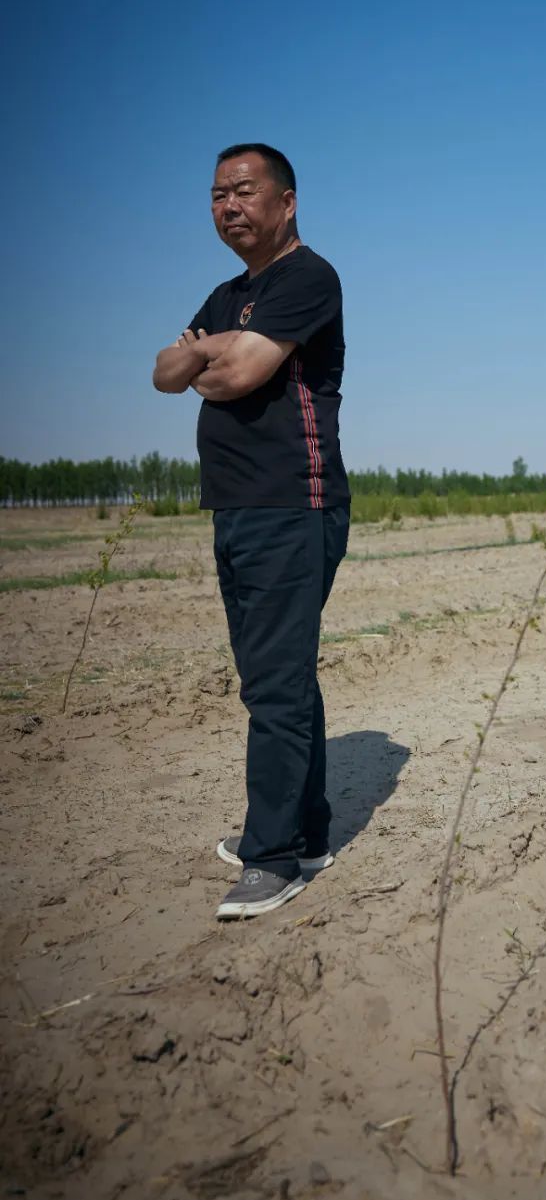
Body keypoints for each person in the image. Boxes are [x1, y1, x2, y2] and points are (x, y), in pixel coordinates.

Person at [153, 144, 350, 919]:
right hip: (235, 506)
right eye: (216, 194)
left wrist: (207, 353)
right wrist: (210, 348)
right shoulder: (226, 293)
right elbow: (164, 372)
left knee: (275, 682)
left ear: (286, 201)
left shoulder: (309, 277)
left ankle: (272, 858)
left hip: (291, 504)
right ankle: (306, 831)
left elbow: (234, 374)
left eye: (243, 190)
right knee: (277, 673)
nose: (228, 206)